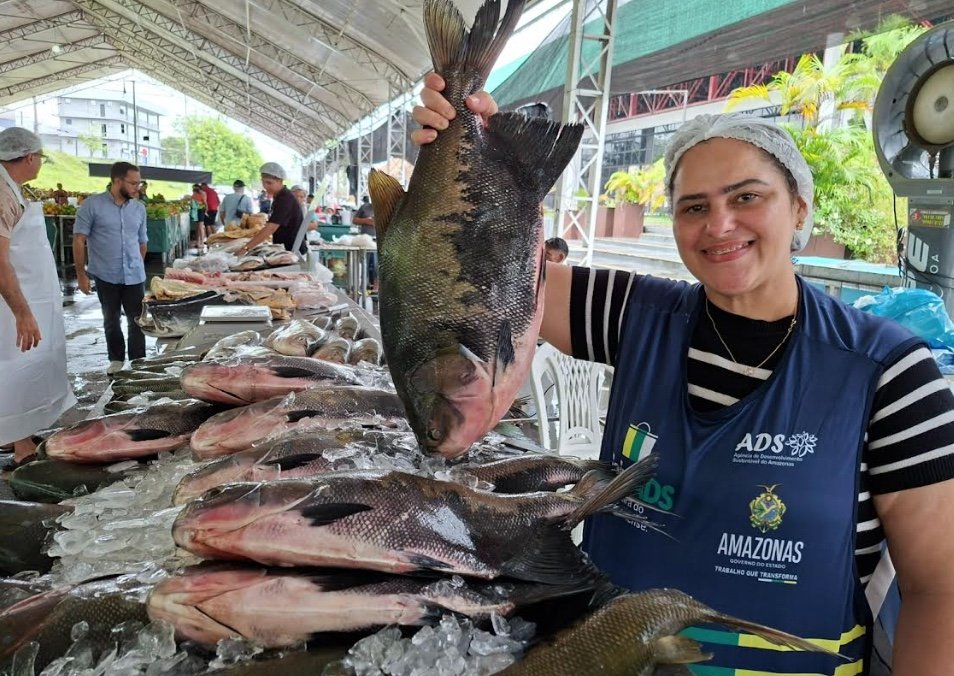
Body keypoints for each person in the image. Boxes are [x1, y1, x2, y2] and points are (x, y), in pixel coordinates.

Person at [413, 76, 954, 673]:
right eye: (694, 207)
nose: (719, 225)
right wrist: (464, 147)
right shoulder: (632, 315)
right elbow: (478, 278)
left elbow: (939, 589)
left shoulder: (889, 372)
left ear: (799, 207)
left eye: (747, 197)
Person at [0, 128, 76, 464]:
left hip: (28, 297)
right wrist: (22, 312)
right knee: (15, 368)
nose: (41, 162)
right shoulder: (2, 194)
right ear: (29, 157)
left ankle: (16, 435)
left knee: (25, 366)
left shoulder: (11, 189)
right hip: (11, 304)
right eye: (41, 157)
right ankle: (21, 448)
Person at [74, 162, 148, 375]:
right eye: (133, 183)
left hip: (134, 275)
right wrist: (81, 274)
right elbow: (79, 239)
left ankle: (138, 362)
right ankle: (116, 359)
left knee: (137, 319)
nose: (137, 188)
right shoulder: (92, 205)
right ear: (117, 181)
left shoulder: (139, 208)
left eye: (139, 183)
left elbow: (142, 241)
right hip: (106, 274)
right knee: (111, 318)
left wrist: (138, 264)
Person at [238, 163, 304, 255]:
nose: (265, 186)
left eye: (269, 183)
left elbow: (271, 228)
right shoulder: (279, 196)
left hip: (293, 251)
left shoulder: (285, 199)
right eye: (263, 182)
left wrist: (245, 248)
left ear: (280, 181)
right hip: (284, 248)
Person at [352, 195, 377, 288]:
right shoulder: (364, 207)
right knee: (364, 263)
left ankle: (375, 286)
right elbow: (354, 220)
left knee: (376, 265)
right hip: (365, 241)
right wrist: (366, 221)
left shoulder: (386, 208)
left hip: (378, 241)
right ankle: (363, 285)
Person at [190, 184, 207, 249]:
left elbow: (204, 203)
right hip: (197, 211)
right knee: (197, 227)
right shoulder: (195, 194)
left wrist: (206, 210)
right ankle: (198, 242)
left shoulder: (202, 193)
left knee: (200, 227)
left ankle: (201, 242)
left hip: (200, 210)